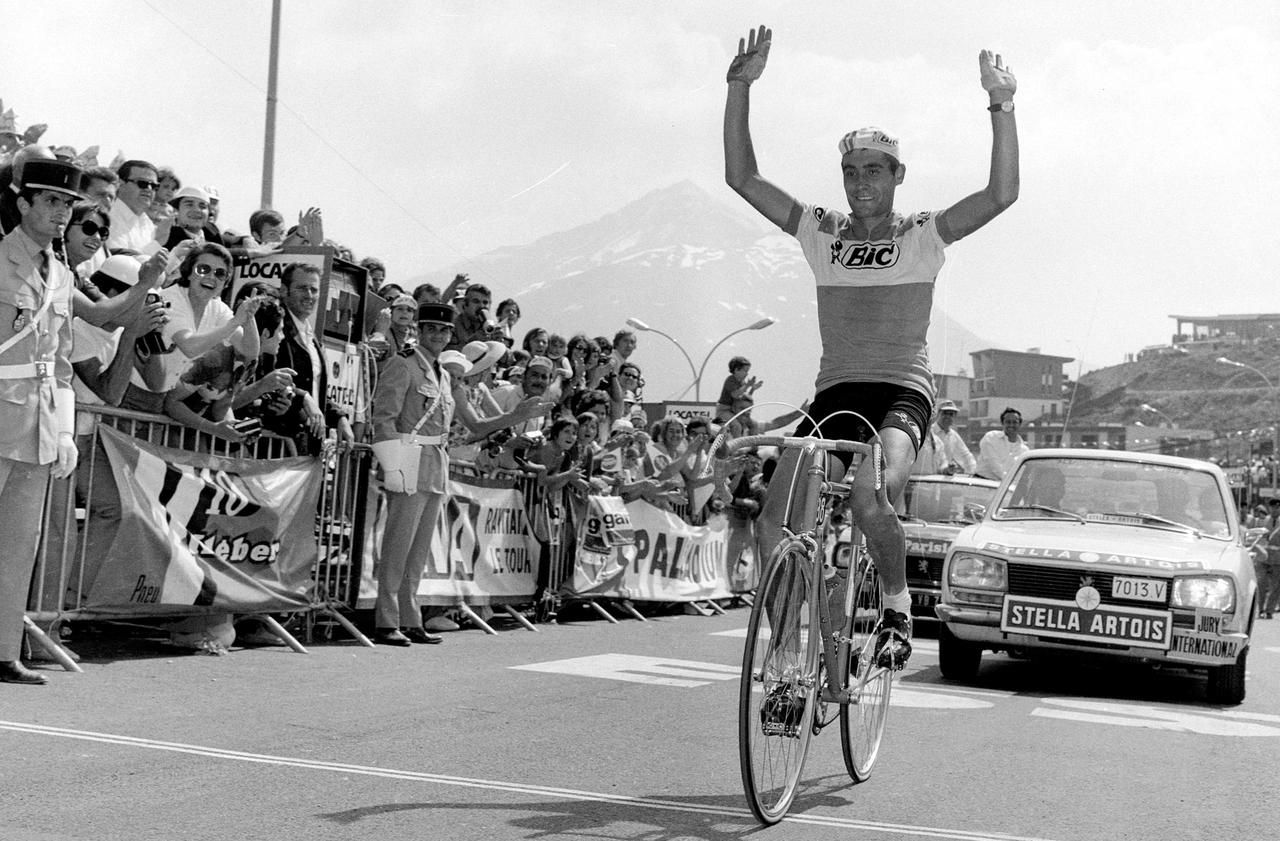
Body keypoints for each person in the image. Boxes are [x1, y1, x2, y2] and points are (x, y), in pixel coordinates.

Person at [723, 25, 1019, 668]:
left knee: (867, 494)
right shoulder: (820, 231)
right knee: (774, 524)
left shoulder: (923, 233)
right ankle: (783, 663)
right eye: (850, 171)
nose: (861, 182)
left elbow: (1001, 195)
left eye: (874, 171)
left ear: (897, 175)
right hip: (834, 393)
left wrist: (1001, 106)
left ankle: (894, 601)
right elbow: (742, 177)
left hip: (900, 391)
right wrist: (739, 86)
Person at [0, 158, 83, 685]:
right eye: (51, 201)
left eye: (67, 204)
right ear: (23, 202)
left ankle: (3, 649)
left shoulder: (63, 275)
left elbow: (63, 360)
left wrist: (68, 430)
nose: (61, 213)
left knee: (16, 548)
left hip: (37, 427)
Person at [369, 302, 459, 646]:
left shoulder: (444, 374)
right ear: (418, 331)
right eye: (431, 329)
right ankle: (386, 619)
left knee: (418, 550)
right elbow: (385, 418)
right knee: (397, 546)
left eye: (445, 330)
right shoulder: (402, 365)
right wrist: (391, 464)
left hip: (435, 463)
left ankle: (410, 617)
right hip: (407, 457)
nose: (438, 335)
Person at [259, 262, 353, 455]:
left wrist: (339, 416)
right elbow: (265, 377)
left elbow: (314, 389)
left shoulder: (310, 336)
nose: (309, 295)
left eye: (314, 290)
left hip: (306, 444)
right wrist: (302, 397)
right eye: (302, 288)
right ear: (284, 290)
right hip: (275, 444)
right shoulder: (276, 328)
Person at [912, 399, 977, 475]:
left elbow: (966, 455)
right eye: (945, 413)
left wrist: (973, 472)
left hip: (942, 477)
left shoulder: (953, 436)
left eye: (951, 414)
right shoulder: (927, 433)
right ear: (938, 414)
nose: (948, 417)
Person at [976, 407, 1029, 481]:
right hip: (983, 483)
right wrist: (1009, 482)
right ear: (1002, 423)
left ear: (1020, 424)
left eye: (1014, 422)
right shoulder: (991, 438)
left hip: (1007, 487)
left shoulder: (1024, 451)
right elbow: (994, 465)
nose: (1011, 425)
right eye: (1008, 422)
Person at [715, 356, 763, 423]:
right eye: (745, 371)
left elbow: (744, 398)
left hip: (735, 410)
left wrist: (752, 389)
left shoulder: (742, 382)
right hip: (724, 410)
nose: (747, 373)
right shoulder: (730, 380)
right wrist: (747, 385)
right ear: (736, 370)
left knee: (752, 424)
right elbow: (735, 395)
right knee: (736, 425)